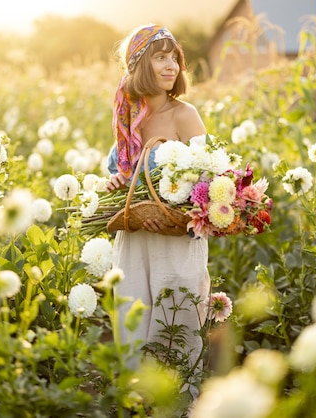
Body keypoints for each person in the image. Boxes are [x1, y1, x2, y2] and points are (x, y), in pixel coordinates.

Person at [105, 24, 211, 373]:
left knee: (175, 325)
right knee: (134, 321)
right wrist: (116, 183)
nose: (171, 66)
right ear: (138, 65)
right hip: (136, 241)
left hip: (176, 240)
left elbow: (208, 182)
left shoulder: (185, 115)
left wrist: (171, 214)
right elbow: (120, 173)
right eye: (160, 57)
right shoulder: (129, 116)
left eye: (174, 58)